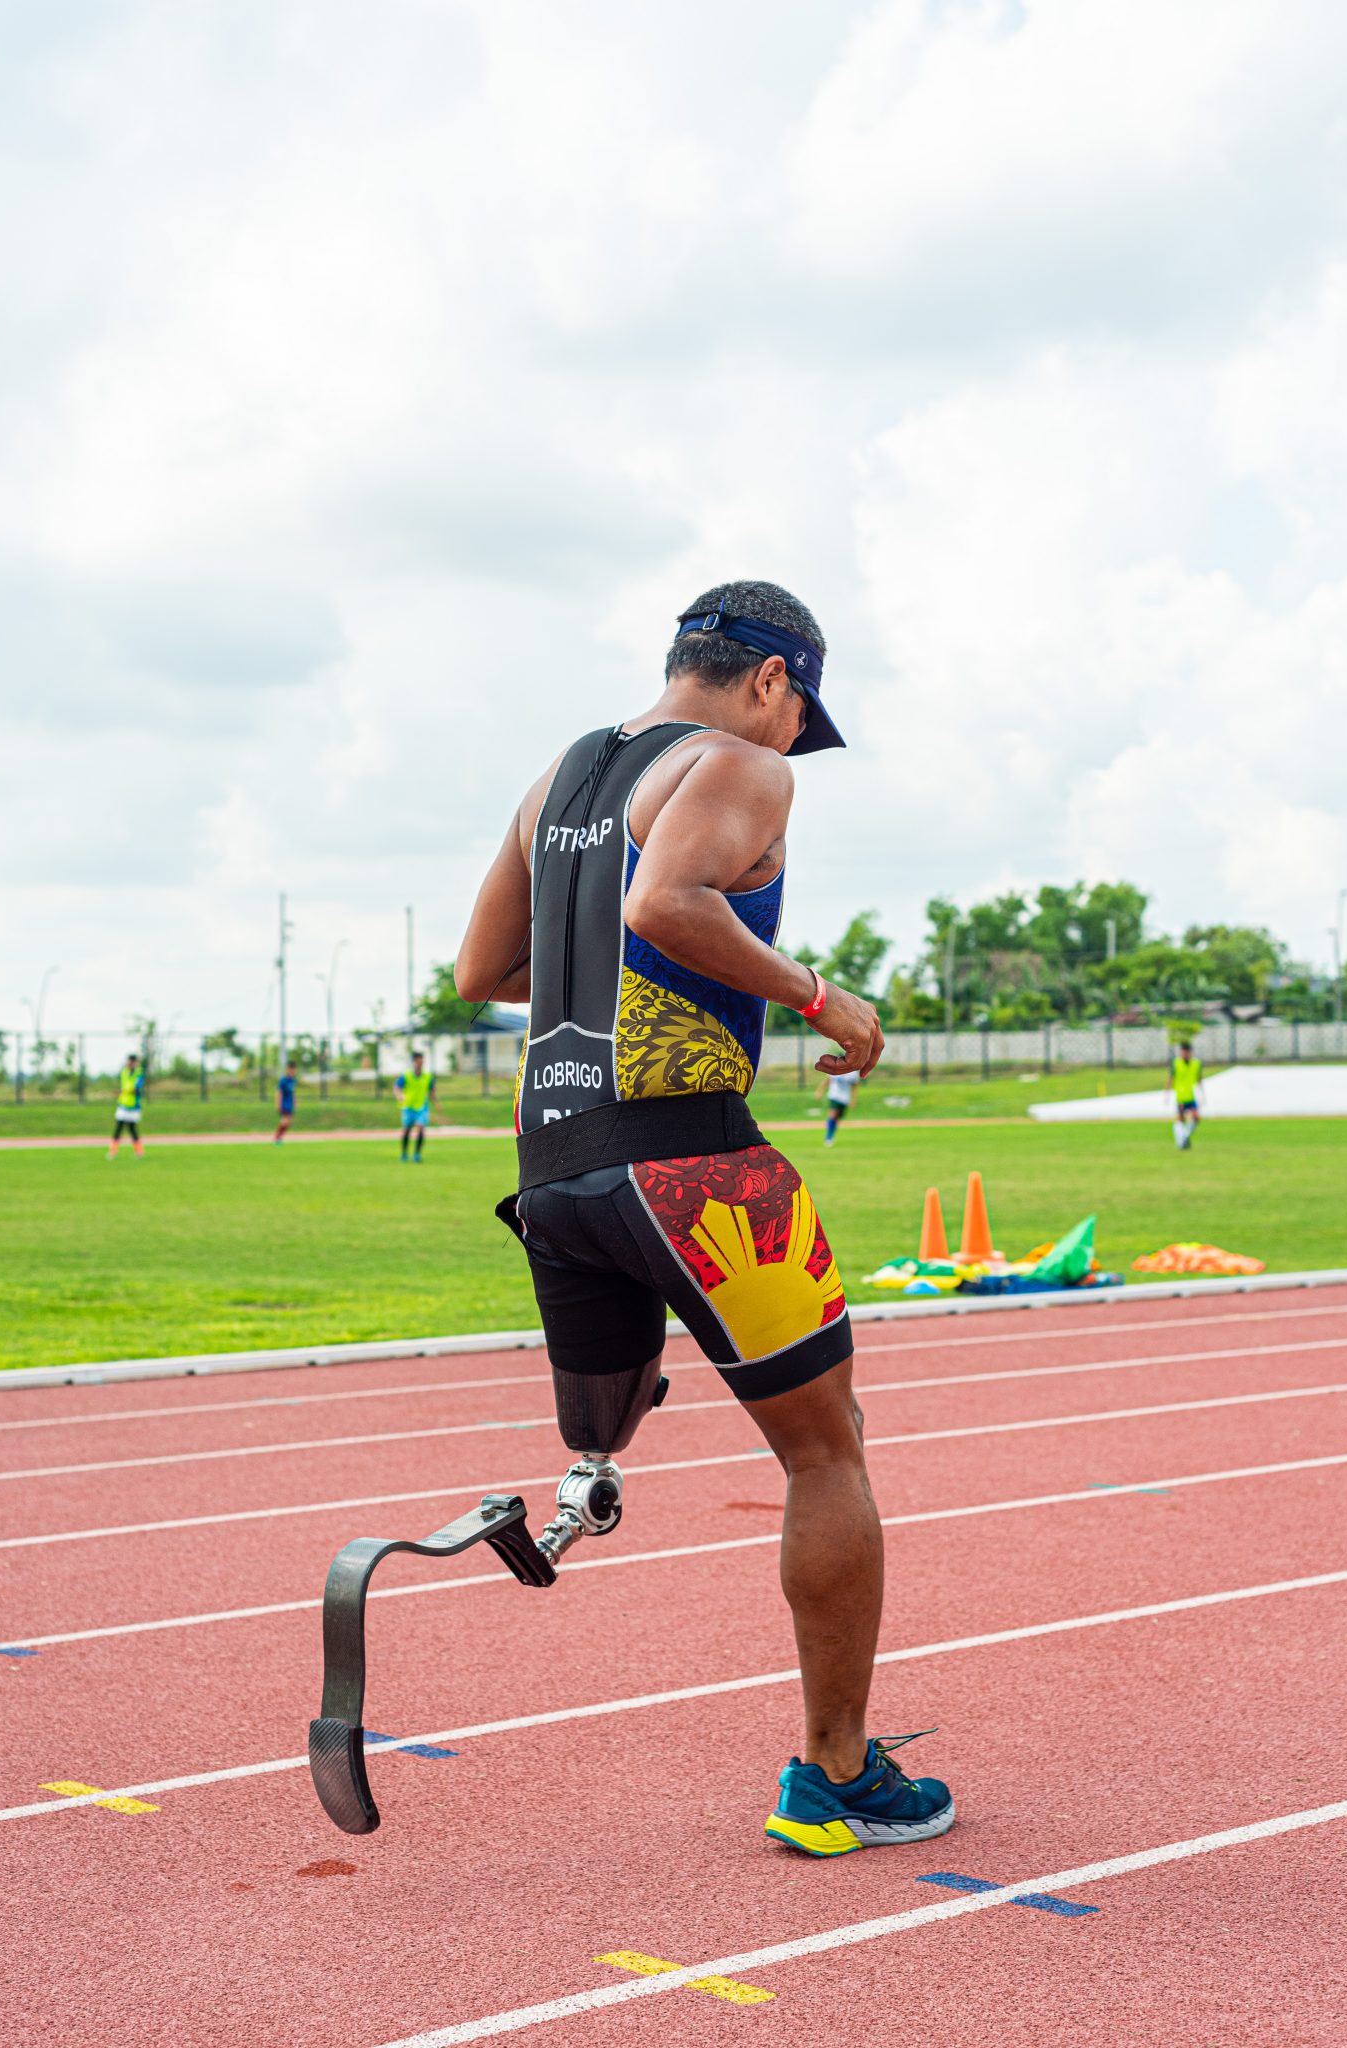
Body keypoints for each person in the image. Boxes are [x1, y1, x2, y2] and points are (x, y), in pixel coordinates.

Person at [457, 578, 954, 1857]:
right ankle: (834, 1776)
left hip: (553, 1172)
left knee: (601, 1436)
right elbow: (665, 903)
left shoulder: (558, 777)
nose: (795, 747)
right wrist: (819, 998)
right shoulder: (735, 761)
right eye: (800, 716)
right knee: (825, 1449)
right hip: (688, 1168)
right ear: (773, 680)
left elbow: (482, 974)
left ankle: (584, 1469)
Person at [395, 1049, 434, 1162]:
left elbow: (431, 1090)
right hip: (408, 1107)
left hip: (422, 1107)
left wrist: (435, 1102)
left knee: (421, 1128)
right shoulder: (407, 1075)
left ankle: (417, 1154)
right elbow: (397, 1087)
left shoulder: (427, 1076)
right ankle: (404, 1154)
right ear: (413, 1062)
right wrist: (400, 1095)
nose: (419, 1063)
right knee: (407, 1130)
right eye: (417, 1061)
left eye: (421, 1061)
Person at [107, 1053, 145, 1157]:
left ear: (135, 1062)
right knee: (118, 1128)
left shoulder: (139, 1073)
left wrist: (122, 1091)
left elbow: (135, 1089)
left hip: (134, 1106)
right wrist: (121, 1092)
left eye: (131, 1062)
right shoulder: (124, 1072)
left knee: (132, 1129)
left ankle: (139, 1151)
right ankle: (113, 1151)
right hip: (123, 1104)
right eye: (128, 1061)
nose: (129, 1063)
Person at [1169, 1039, 1204, 1149]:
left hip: (1191, 1095)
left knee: (1196, 1118)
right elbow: (1171, 1078)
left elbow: (1199, 1078)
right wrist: (1167, 1093)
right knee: (1181, 1119)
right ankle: (1181, 1142)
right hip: (1181, 1097)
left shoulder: (1196, 1063)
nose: (1185, 1053)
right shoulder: (1176, 1063)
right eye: (1183, 1051)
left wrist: (1202, 1093)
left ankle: (1184, 1138)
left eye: (1187, 1051)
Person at [819, 1067, 861, 1145]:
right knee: (832, 1114)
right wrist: (820, 1091)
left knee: (837, 1118)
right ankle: (828, 1137)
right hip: (834, 1096)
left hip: (844, 1098)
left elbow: (854, 1087)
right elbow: (827, 1081)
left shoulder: (852, 1073)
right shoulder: (835, 1069)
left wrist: (854, 1100)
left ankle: (831, 1134)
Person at [274, 1059, 297, 1143]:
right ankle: (277, 1137)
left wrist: (295, 1101)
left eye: (294, 1069)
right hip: (284, 1103)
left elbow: (293, 1092)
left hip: (289, 1103)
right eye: (291, 1069)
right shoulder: (283, 1080)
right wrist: (278, 1104)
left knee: (288, 1122)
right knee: (285, 1122)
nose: (292, 1071)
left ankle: (279, 1137)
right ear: (287, 1069)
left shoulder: (293, 1080)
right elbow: (279, 1092)